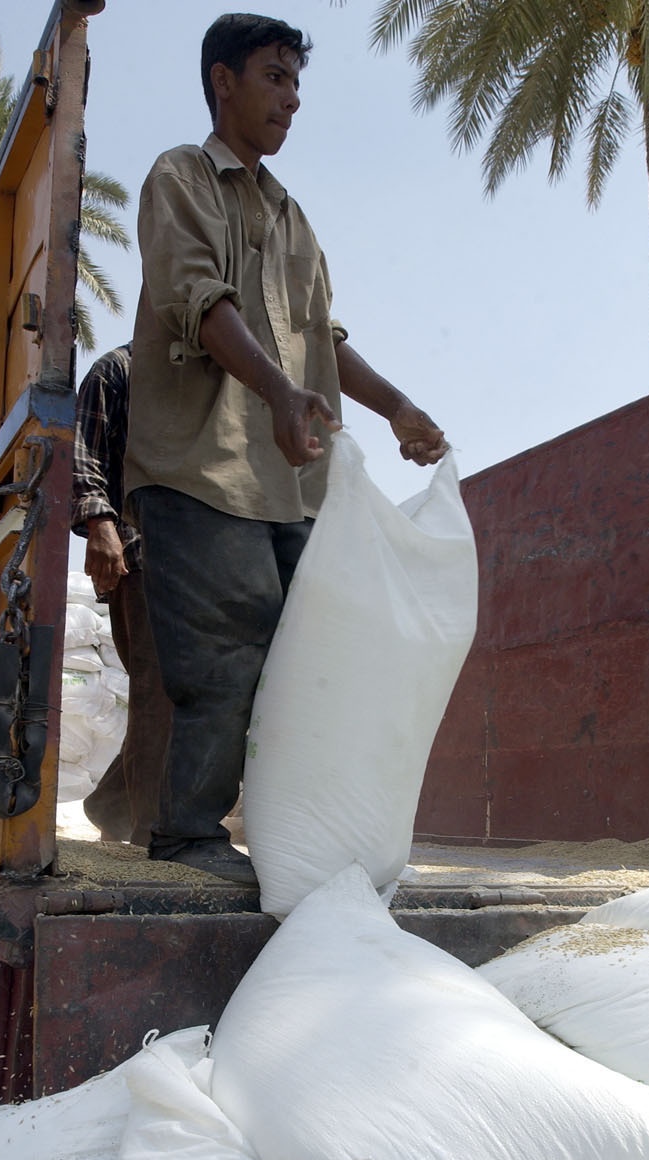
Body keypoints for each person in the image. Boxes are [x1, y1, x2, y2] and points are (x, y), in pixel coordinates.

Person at [124, 12, 449, 885]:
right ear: (222, 81)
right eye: (275, 77)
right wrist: (276, 390)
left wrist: (395, 406)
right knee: (226, 659)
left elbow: (323, 337)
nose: (293, 99)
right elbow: (198, 299)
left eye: (298, 84)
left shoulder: (292, 217)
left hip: (287, 487)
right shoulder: (179, 178)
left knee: (313, 656)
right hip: (199, 473)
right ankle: (187, 834)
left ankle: (294, 837)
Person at [71, 342, 173, 848]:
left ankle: (111, 803)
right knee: (158, 694)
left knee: (188, 697)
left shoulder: (216, 378)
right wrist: (100, 525)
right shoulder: (119, 369)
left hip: (204, 560)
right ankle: (151, 836)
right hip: (143, 555)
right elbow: (83, 453)